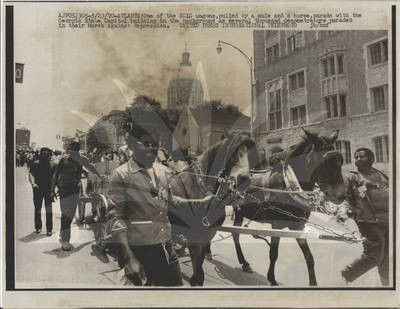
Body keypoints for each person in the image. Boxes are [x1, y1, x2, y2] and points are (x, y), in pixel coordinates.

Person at [107, 118, 213, 286]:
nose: (152, 148)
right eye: (145, 143)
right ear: (132, 146)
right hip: (137, 251)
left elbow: (172, 199)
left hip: (165, 248)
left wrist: (200, 202)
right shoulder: (120, 176)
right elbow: (115, 218)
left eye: (155, 143)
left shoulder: (163, 172)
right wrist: (128, 258)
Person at [341, 147, 389, 286]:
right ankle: (347, 273)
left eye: (362, 156)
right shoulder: (352, 176)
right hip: (368, 221)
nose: (358, 159)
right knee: (374, 256)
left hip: (388, 220)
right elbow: (346, 197)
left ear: (371, 159)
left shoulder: (382, 174)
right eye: (356, 157)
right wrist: (352, 212)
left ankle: (387, 286)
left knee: (386, 257)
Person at [51, 142, 103, 251]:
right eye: (70, 150)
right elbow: (55, 175)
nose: (71, 152)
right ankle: (65, 240)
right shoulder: (63, 160)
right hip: (64, 190)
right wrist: (52, 191)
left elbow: (90, 167)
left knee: (70, 214)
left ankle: (63, 231)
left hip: (75, 190)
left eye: (74, 150)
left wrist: (100, 175)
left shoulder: (82, 159)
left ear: (77, 150)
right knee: (66, 215)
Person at [28, 147, 57, 235]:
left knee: (49, 209)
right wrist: (33, 183)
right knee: (37, 208)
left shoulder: (53, 165)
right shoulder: (35, 163)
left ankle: (49, 229)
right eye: (43, 153)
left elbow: (55, 178)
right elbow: (31, 174)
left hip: (48, 190)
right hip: (37, 189)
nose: (44, 154)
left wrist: (54, 189)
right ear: (40, 154)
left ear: (50, 154)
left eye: (46, 153)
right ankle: (38, 227)